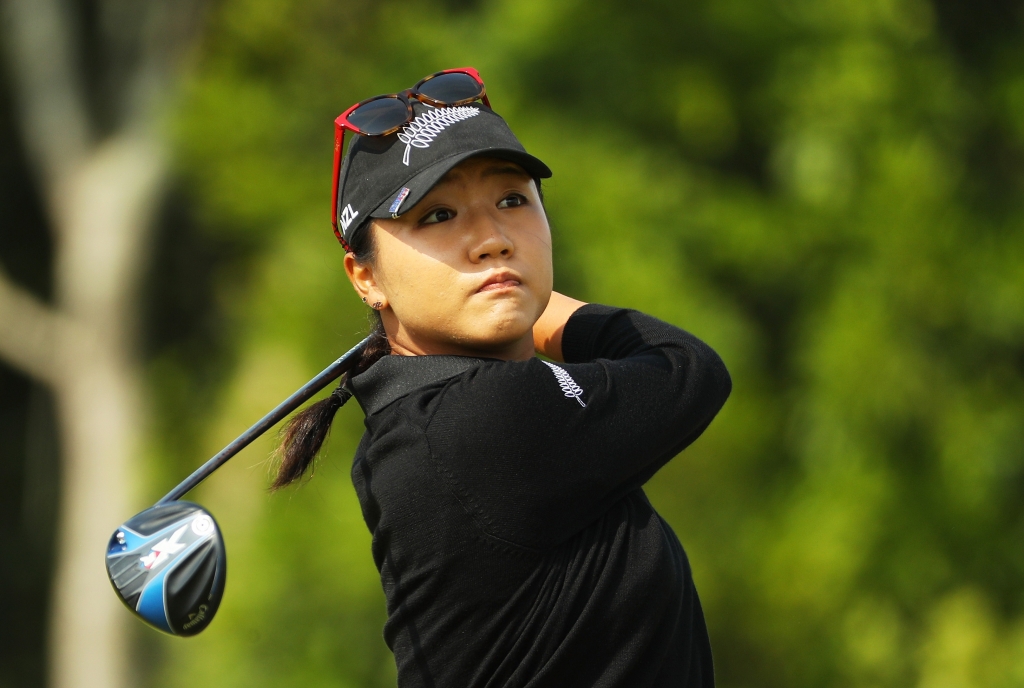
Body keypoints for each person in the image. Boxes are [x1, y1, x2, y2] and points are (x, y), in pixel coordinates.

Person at [274, 68, 732, 688]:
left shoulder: (421, 416)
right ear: (366, 277)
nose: (491, 240)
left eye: (512, 200)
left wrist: (519, 302)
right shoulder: (472, 422)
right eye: (437, 215)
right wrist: (542, 308)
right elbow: (687, 371)